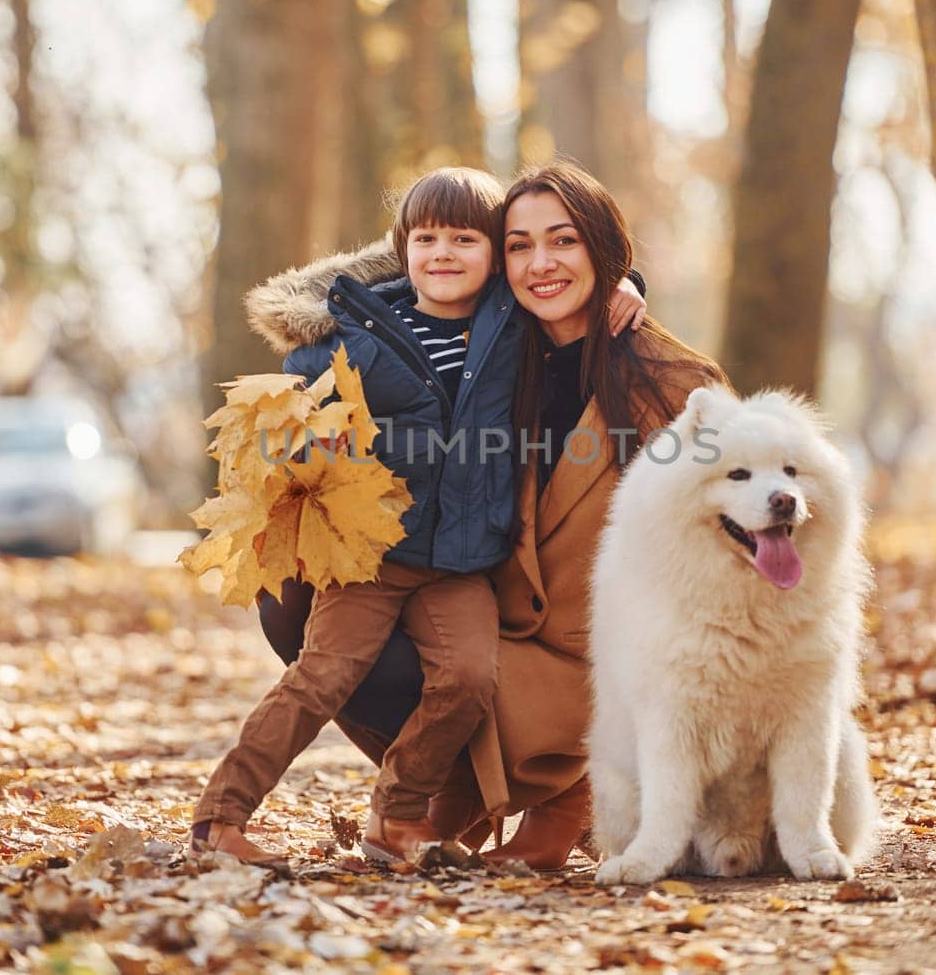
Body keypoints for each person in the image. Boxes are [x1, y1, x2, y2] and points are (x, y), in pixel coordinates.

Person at [246, 161, 725, 870]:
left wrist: (626, 284)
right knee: (292, 599)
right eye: (520, 246)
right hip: (489, 617)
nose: (540, 264)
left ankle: (565, 794)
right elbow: (363, 300)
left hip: (597, 655)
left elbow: (721, 565)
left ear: (603, 249)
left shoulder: (675, 384)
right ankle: (443, 789)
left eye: (564, 242)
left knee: (465, 667)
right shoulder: (497, 341)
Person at [190, 167, 519, 866]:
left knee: (468, 680)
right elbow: (283, 418)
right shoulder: (363, 334)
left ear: (497, 250)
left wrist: (628, 286)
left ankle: (395, 817)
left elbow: (586, 285)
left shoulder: (513, 331)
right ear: (402, 249)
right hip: (370, 552)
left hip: (460, 559)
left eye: (465, 238)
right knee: (322, 677)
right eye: (426, 237)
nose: (443, 253)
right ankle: (222, 816)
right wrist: (311, 441)